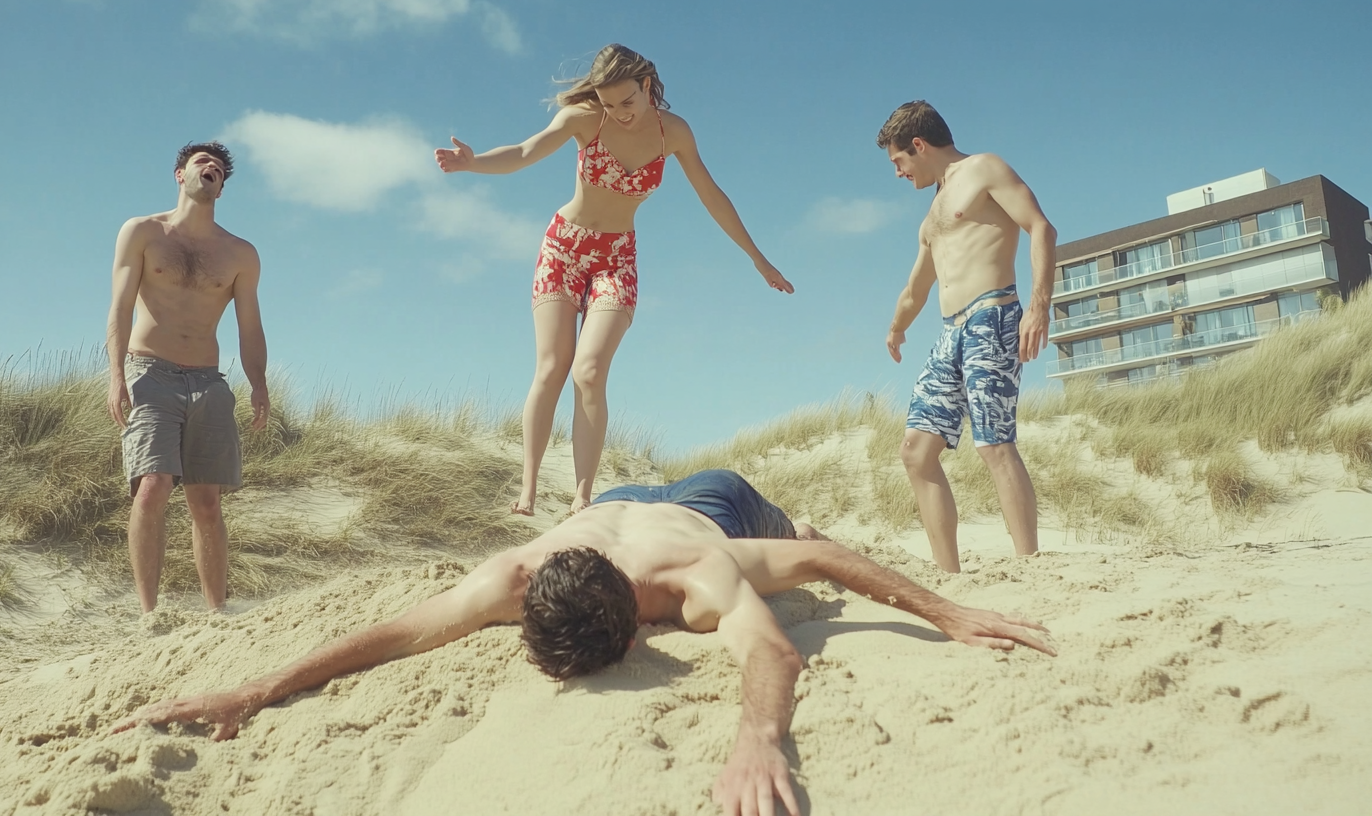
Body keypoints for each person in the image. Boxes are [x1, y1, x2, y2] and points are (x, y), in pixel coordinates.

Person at [113, 469, 1055, 816]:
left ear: (640, 619)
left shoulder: (693, 577)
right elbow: (396, 633)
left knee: (796, 542)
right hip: (596, 507)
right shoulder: (513, 578)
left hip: (709, 501)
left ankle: (782, 494)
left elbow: (787, 624)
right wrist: (258, 687)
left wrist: (759, 737)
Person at [434, 44, 794, 518]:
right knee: (553, 365)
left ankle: (582, 497)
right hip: (563, 247)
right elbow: (525, 151)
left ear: (646, 87)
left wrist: (757, 259)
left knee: (589, 370)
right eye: (609, 105)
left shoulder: (674, 132)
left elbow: (712, 196)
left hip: (616, 258)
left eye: (627, 102)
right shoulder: (584, 119)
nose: (619, 114)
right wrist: (473, 162)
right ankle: (529, 489)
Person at [877, 100, 1057, 573]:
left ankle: (1029, 565)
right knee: (916, 452)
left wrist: (1038, 305)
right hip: (948, 332)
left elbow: (1041, 227)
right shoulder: (932, 212)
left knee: (994, 443)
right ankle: (948, 575)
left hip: (992, 315)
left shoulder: (984, 170)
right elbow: (918, 286)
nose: (897, 173)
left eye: (898, 161)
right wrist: (897, 327)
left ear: (918, 145)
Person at [105, 142, 270, 613]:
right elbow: (118, 307)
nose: (211, 169)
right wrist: (116, 374)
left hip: (208, 380)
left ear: (222, 187)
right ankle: (149, 615)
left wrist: (258, 383)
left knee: (206, 501)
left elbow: (250, 326)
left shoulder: (240, 253)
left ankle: (216, 614)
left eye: (218, 168)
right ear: (180, 175)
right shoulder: (142, 232)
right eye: (202, 163)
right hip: (149, 371)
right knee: (152, 486)